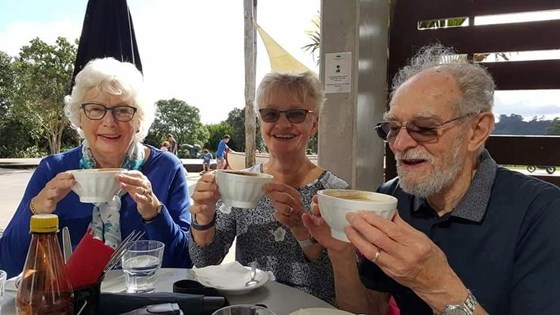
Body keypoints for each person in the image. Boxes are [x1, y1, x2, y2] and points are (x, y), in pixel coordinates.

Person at [303, 44, 560, 314]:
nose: (399, 144)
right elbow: (369, 310)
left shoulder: (542, 214)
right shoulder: (393, 199)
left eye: (424, 128)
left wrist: (437, 284)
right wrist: (340, 253)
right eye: (392, 128)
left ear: (476, 131)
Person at [0, 57, 193, 278]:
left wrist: (155, 213)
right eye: (95, 109)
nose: (109, 121)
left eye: (122, 110)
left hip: (144, 301)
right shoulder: (53, 169)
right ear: (79, 117)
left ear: (139, 119)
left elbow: (183, 264)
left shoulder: (166, 168)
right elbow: (8, 263)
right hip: (68, 303)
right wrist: (36, 210)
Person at [188, 71, 348, 304]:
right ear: (260, 122)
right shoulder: (240, 184)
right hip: (252, 307)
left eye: (296, 114)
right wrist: (203, 216)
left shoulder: (334, 192)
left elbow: (337, 279)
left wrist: (303, 232)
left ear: (314, 124)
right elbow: (205, 261)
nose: (282, 124)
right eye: (270, 114)